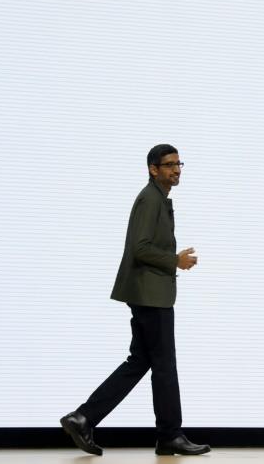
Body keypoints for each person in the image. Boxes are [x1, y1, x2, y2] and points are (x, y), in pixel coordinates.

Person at [60, 144, 210, 456]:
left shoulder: (158, 198)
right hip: (150, 295)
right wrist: (175, 260)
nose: (176, 170)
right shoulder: (149, 199)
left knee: (141, 361)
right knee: (164, 366)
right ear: (153, 169)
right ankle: (170, 435)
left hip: (149, 292)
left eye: (179, 164)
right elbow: (139, 248)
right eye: (169, 165)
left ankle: (84, 418)